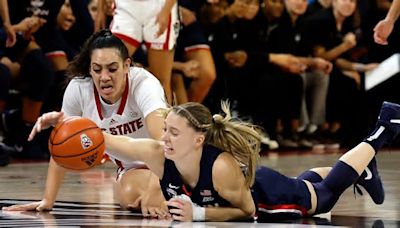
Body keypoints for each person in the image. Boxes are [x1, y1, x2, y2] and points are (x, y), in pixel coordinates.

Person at [94, 100, 399, 221]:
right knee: (304, 182)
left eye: (174, 132)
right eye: (165, 131)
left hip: (264, 198)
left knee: (324, 196)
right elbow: (109, 140)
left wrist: (198, 215)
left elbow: (248, 212)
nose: (165, 138)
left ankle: (383, 128)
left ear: (198, 140)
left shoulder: (220, 168)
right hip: (252, 182)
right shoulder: (159, 154)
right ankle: (362, 170)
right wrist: (63, 124)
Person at [2, 30, 170, 217]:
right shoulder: (79, 89)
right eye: (97, 69)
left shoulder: (145, 84)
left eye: (112, 69)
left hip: (173, 158)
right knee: (130, 196)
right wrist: (48, 201)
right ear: (90, 69)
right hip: (134, 168)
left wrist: (156, 189)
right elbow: (62, 146)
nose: (104, 77)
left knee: (161, 193)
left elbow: (164, 143)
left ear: (126, 66)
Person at [110, 0, 180, 104]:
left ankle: (165, 119)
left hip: (159, 5)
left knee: (160, 80)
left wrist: (166, 10)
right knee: (110, 67)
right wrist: (100, 10)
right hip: (127, 6)